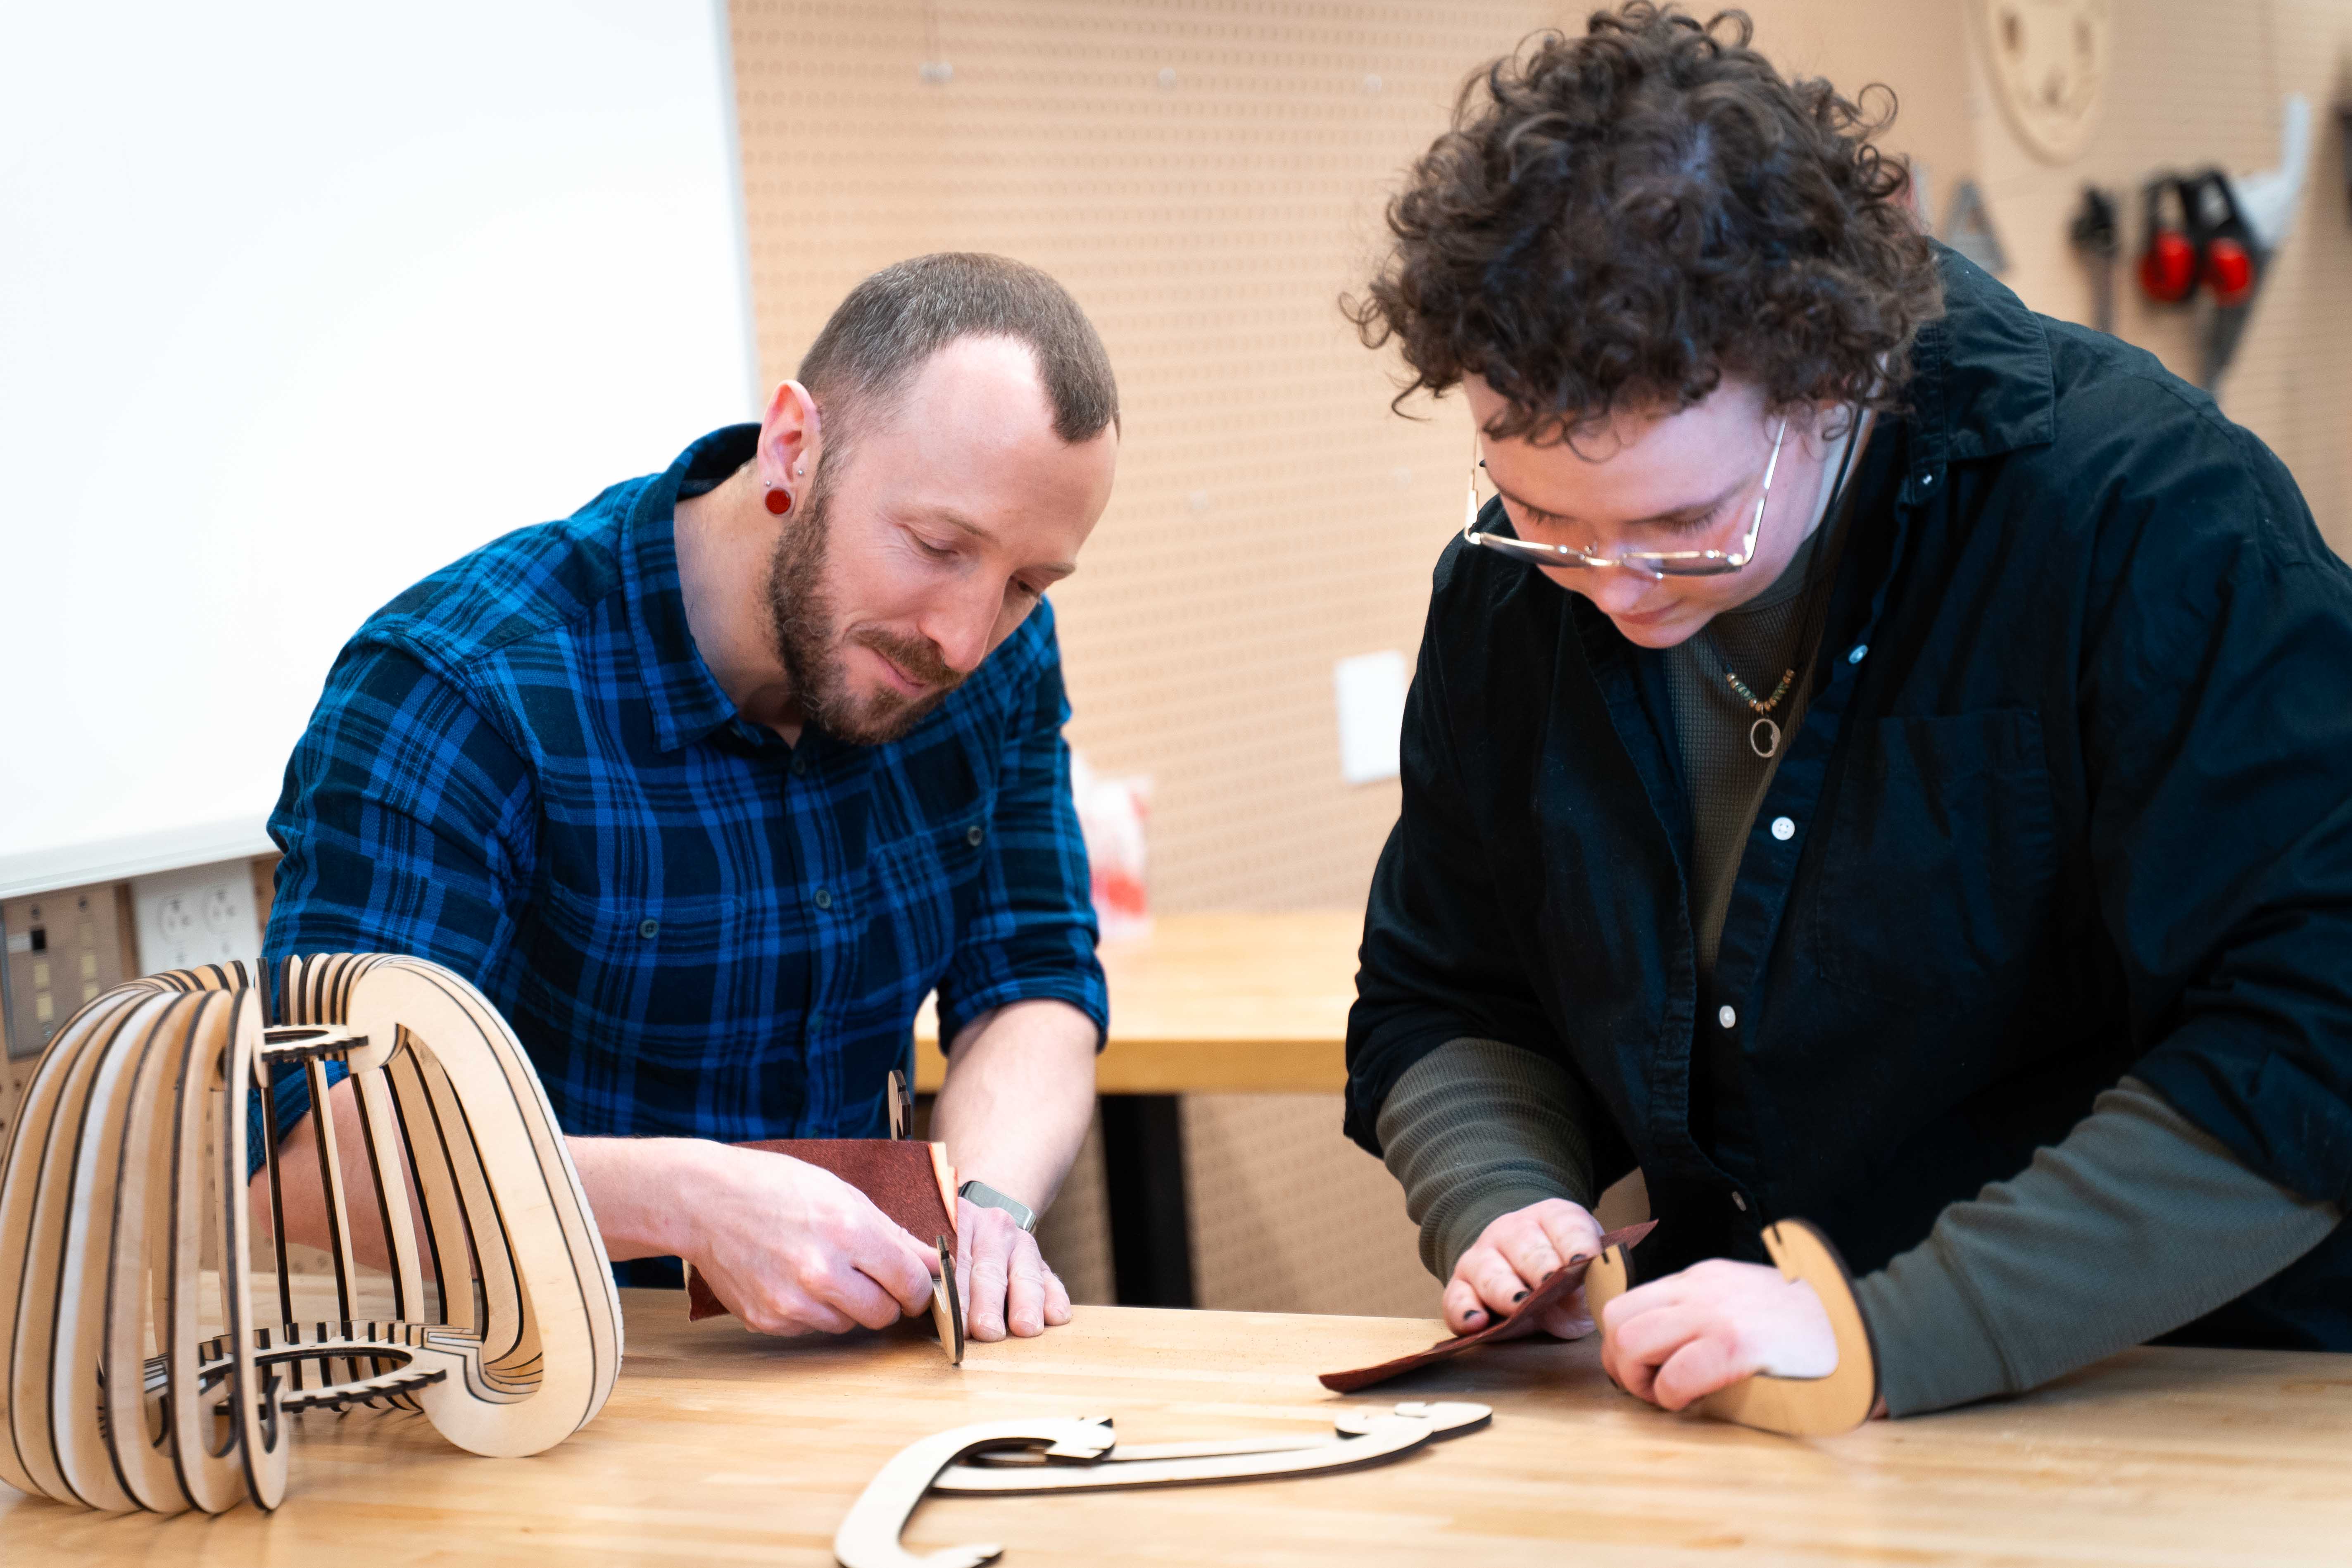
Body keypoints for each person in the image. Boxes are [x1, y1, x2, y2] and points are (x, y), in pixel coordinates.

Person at [1343, 5, 2350, 1417]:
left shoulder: (2145, 518)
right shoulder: (1512, 598)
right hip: (1762, 1400)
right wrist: (1504, 1201)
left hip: (2187, 1383)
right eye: (1542, 515)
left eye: (1684, 524)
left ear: (1838, 383)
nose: (1614, 588)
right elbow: (1449, 987)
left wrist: (1888, 1329)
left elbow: (2315, 1025)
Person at [258, 253, 1120, 1343]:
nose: (962, 634)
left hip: (853, 1366)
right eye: (938, 546)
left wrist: (986, 1208)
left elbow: (1032, 981)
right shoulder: (461, 685)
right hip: (527, 1379)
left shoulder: (996, 659)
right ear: (794, 448)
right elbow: (315, 1144)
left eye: (1025, 583)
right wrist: (691, 1200)